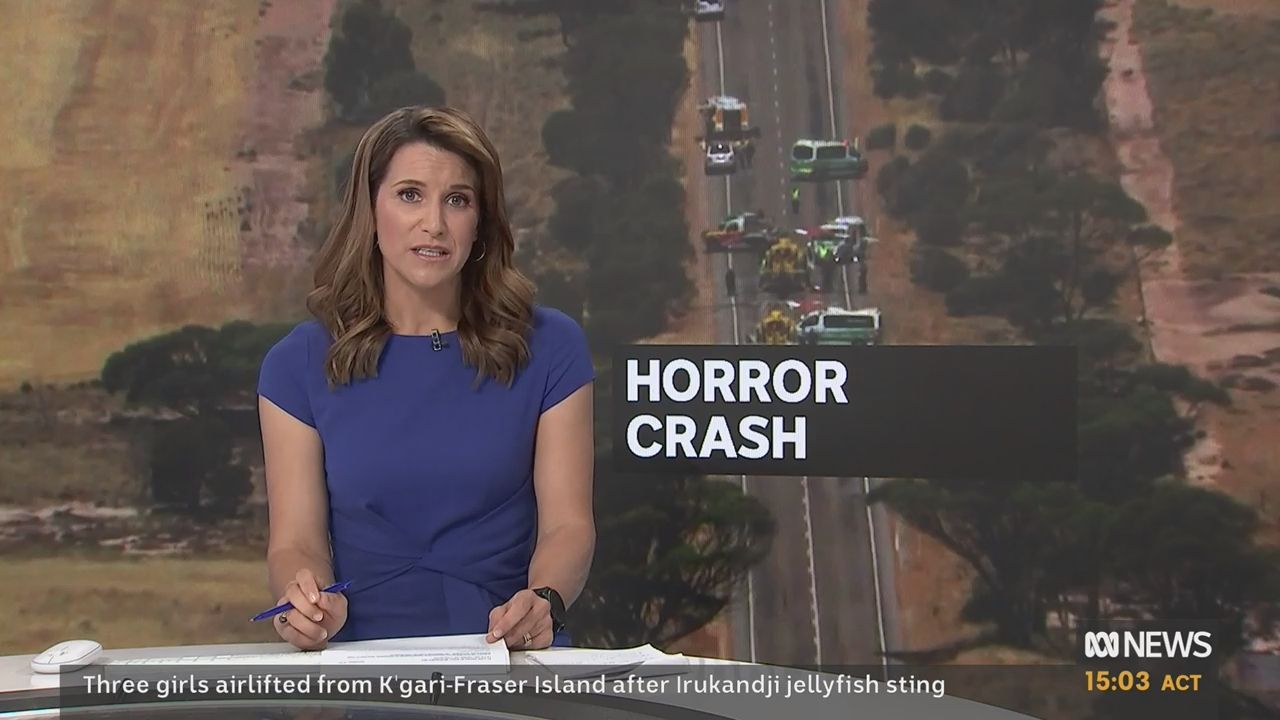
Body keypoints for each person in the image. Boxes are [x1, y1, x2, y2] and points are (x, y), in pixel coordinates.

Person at [256, 106, 595, 653]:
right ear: (370, 209)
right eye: (410, 195)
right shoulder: (297, 364)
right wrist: (306, 603)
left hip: (508, 655)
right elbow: (295, 542)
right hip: (359, 664)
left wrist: (543, 601)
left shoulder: (550, 347)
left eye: (457, 200)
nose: (434, 223)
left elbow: (568, 526)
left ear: (480, 221)